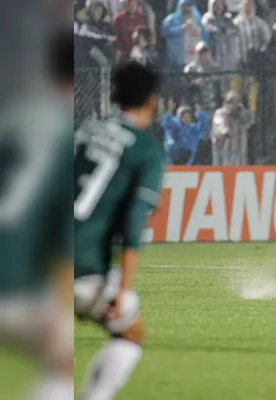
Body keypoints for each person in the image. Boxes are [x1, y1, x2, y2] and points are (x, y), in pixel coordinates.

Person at [74, 61, 163, 400]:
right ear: (152, 101)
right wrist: (122, 290)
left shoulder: (82, 129)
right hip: (80, 269)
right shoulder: (145, 151)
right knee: (130, 333)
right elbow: (132, 226)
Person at [0, 31, 74, 400]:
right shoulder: (61, 133)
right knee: (64, 360)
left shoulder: (11, 113)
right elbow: (63, 245)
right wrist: (58, 314)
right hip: (14, 286)